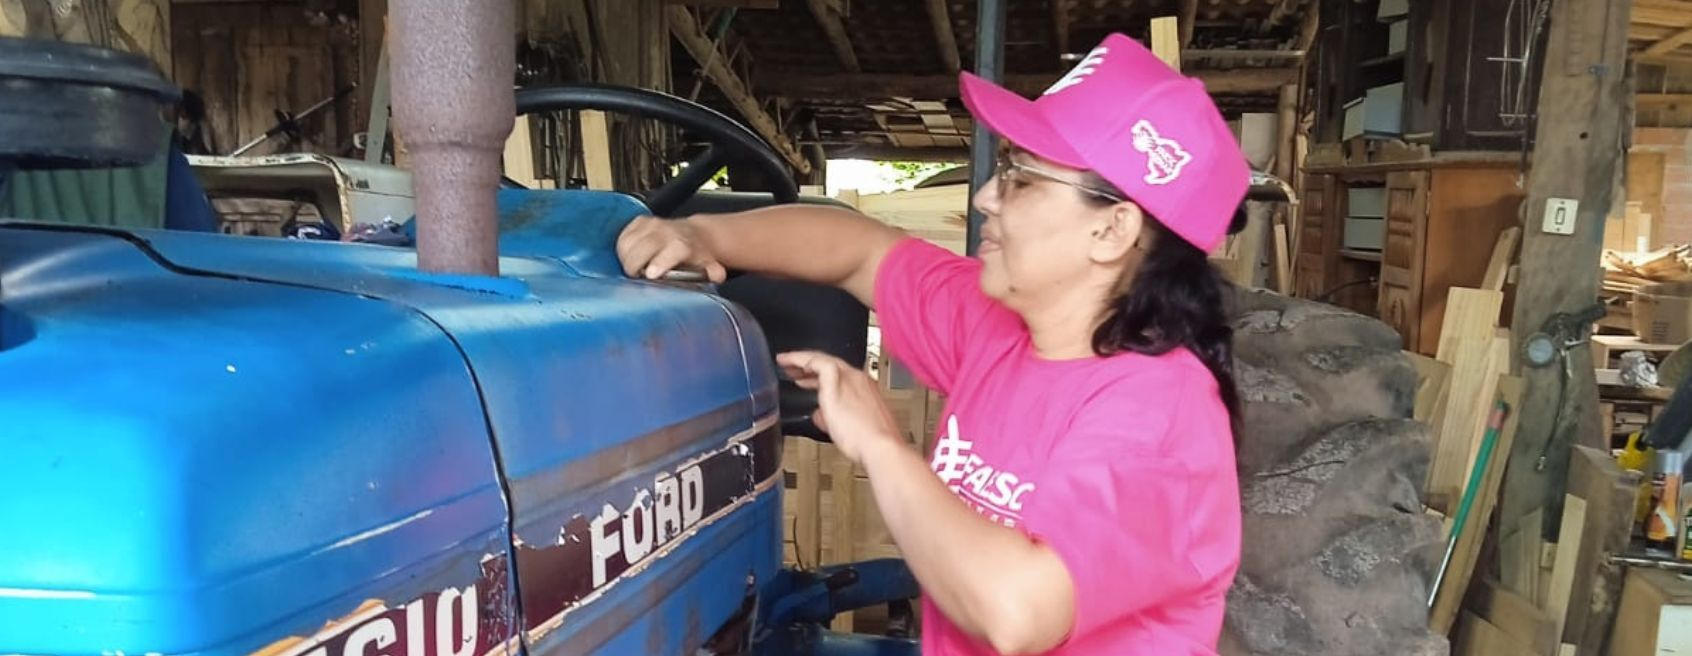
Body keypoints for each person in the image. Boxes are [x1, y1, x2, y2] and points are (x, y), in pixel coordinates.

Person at [618, 32, 1247, 655]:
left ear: (1112, 230)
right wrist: (704, 235)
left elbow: (1017, 611)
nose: (985, 197)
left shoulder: (1163, 416)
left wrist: (880, 444)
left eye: (1020, 179)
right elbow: (860, 249)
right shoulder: (997, 325)